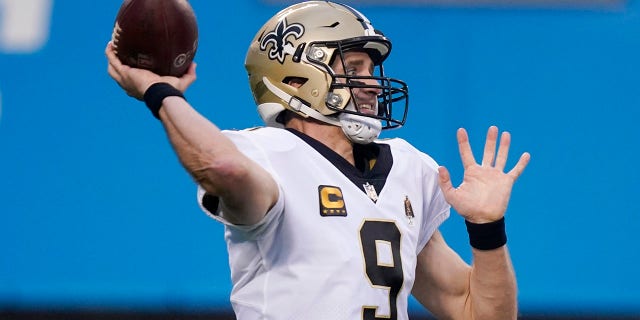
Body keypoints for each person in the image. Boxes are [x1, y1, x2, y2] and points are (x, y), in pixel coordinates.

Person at [106, 1, 530, 319]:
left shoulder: (406, 168)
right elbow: (223, 167)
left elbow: (478, 311)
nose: (373, 85)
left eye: (372, 69)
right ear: (296, 78)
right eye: (356, 67)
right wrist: (161, 93)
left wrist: (487, 230)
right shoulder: (268, 155)